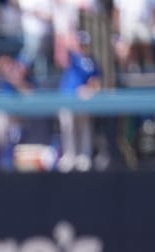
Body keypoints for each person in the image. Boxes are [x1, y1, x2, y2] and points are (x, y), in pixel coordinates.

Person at [56, 31, 103, 172]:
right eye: (80, 43)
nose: (82, 46)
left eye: (84, 44)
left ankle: (84, 156)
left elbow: (97, 81)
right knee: (68, 128)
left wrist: (90, 87)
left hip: (83, 100)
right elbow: (61, 55)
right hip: (67, 98)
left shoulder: (92, 61)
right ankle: (69, 156)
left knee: (84, 127)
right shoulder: (73, 57)